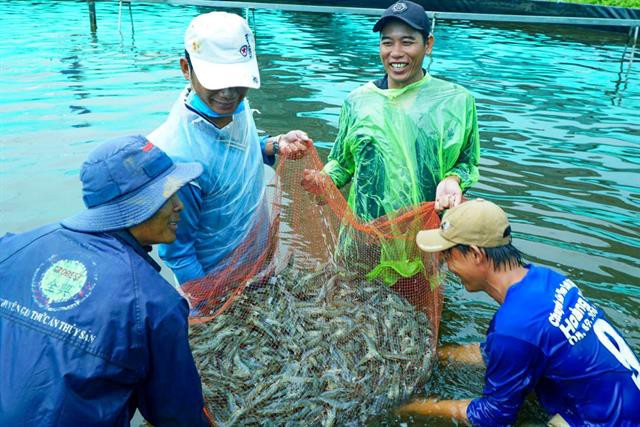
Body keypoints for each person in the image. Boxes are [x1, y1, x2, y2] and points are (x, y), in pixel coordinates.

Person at [0, 135, 210, 426]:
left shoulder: (10, 248)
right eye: (167, 194)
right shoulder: (156, 302)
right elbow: (177, 415)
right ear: (135, 205)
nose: (180, 206)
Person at [396, 198, 640, 426]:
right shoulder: (547, 280)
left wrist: (414, 407)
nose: (447, 265)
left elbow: (493, 415)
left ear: (476, 254)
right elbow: (503, 350)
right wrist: (437, 354)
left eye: (449, 255)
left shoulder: (513, 326)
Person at [300, 0, 480, 285]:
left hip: (424, 238)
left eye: (408, 42)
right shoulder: (358, 101)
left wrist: (454, 179)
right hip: (365, 236)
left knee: (417, 316)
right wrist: (324, 180)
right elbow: (343, 163)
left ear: (428, 44)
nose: (396, 53)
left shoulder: (456, 102)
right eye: (387, 43)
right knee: (354, 308)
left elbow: (466, 161)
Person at [149, 12, 313, 285]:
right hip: (216, 282)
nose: (228, 93)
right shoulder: (177, 156)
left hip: (259, 261)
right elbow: (178, 253)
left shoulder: (237, 105)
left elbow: (234, 154)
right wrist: (208, 308)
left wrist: (272, 145)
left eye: (237, 79)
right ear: (186, 69)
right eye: (216, 80)